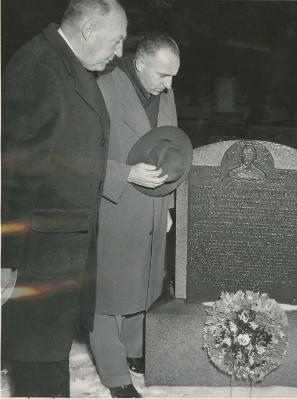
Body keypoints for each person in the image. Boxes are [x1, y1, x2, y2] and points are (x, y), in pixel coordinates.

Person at [1, 0, 127, 397]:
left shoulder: (68, 64)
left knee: (50, 363)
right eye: (118, 40)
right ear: (89, 30)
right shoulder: (37, 67)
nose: (120, 51)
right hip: (38, 261)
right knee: (39, 369)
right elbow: (12, 174)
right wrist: (5, 260)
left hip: (60, 256)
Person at [89, 34, 192, 398]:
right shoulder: (101, 85)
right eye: (163, 75)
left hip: (152, 206)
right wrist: (124, 173)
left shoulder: (166, 90)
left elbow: (175, 148)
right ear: (140, 63)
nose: (169, 85)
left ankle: (134, 350)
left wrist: (170, 206)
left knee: (145, 281)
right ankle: (115, 373)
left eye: (174, 76)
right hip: (111, 204)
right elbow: (78, 152)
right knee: (104, 293)